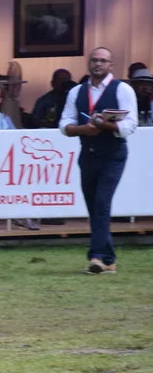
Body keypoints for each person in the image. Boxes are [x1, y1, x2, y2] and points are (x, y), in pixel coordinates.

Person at [60, 47, 138, 274]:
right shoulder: (76, 92)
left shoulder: (122, 89)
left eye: (103, 61)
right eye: (94, 60)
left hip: (113, 153)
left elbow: (130, 124)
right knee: (95, 207)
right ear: (89, 63)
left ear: (111, 65)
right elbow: (65, 125)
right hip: (88, 153)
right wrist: (84, 129)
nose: (98, 64)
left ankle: (96, 257)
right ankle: (109, 259)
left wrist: (106, 126)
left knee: (102, 204)